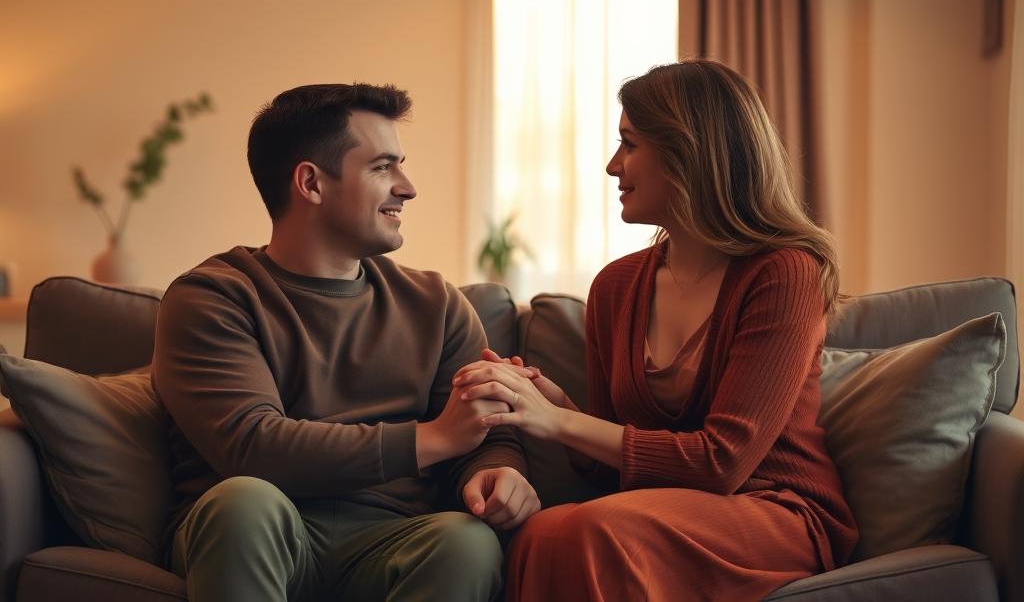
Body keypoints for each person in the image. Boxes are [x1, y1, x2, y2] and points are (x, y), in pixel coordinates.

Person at [454, 59, 859, 601]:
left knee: (595, 531)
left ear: (689, 153)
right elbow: (614, 475)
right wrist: (557, 406)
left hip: (773, 508)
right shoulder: (616, 287)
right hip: (652, 511)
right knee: (539, 534)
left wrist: (561, 422)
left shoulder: (783, 274)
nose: (611, 166)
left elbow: (723, 462)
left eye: (629, 144)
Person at [152, 83, 539, 602]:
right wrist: (435, 438)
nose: (407, 187)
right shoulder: (212, 297)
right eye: (382, 167)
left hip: (393, 538)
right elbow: (252, 446)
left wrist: (498, 472)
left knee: (467, 542)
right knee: (243, 503)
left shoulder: (436, 303)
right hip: (262, 532)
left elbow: (485, 431)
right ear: (311, 183)